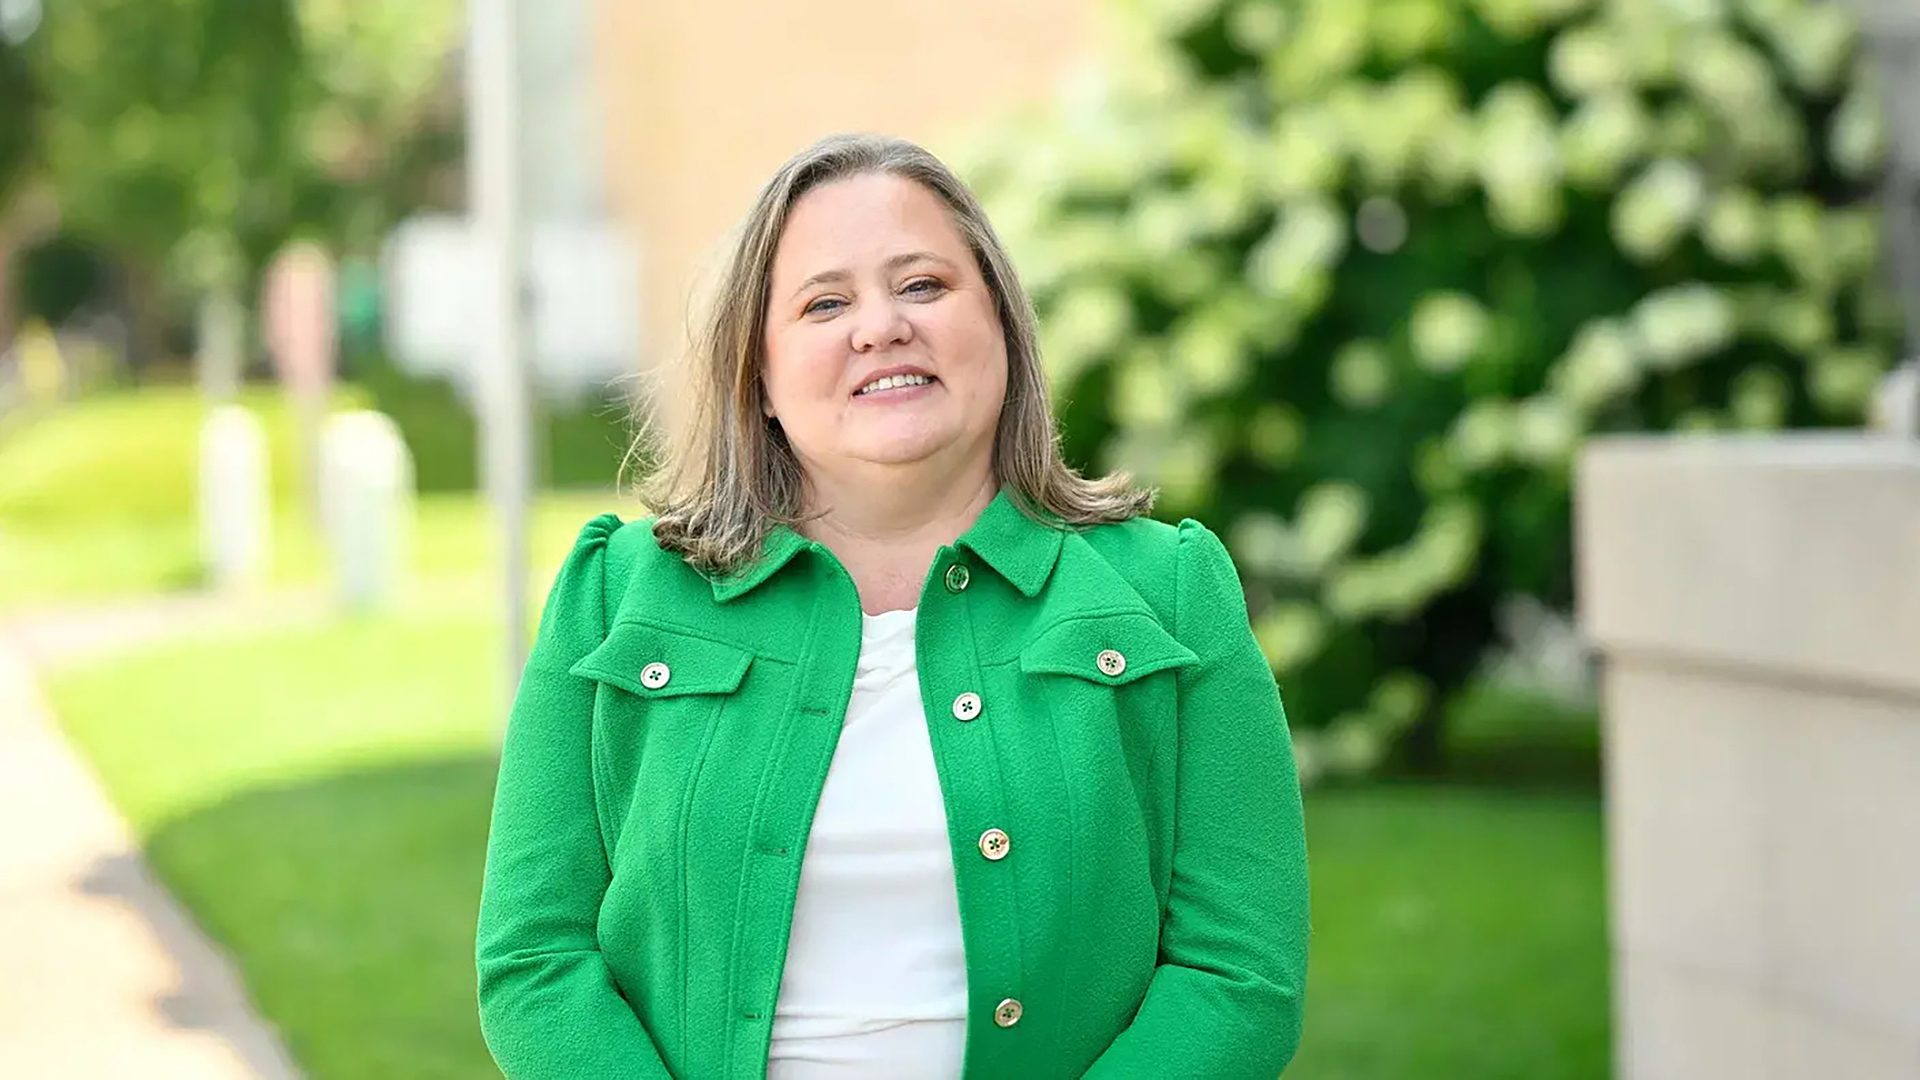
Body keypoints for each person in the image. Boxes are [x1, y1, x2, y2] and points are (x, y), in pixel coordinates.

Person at [475, 133, 1309, 1079]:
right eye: (825, 303)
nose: (880, 327)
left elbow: (1239, 975)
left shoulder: (1167, 590)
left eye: (923, 286)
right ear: (761, 375)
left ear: (1001, 323)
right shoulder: (616, 595)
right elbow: (534, 961)